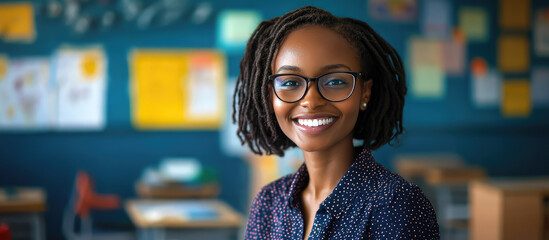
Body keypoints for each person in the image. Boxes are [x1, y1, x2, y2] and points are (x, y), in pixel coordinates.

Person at [233, 6, 439, 240]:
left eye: (335, 82)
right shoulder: (268, 204)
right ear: (269, 95)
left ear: (365, 93)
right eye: (290, 83)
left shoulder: (397, 207)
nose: (311, 101)